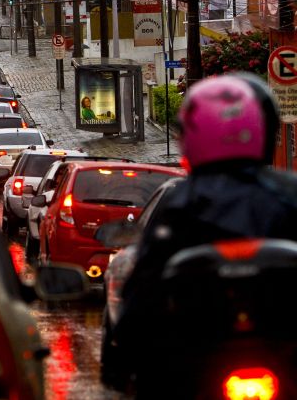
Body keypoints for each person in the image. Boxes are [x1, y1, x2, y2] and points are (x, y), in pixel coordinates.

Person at [112, 73, 297, 397]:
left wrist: (122, 360)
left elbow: (141, 297)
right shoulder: (289, 195)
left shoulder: (178, 204)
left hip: (196, 369)